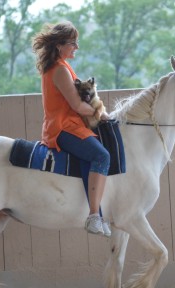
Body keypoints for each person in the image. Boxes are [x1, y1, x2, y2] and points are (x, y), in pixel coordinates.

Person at [32, 21, 111, 237]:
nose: (76, 47)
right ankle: (94, 216)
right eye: (73, 43)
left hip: (71, 125)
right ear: (59, 45)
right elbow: (77, 106)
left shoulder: (63, 67)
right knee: (102, 156)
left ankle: (99, 213)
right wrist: (100, 113)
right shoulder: (59, 70)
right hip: (63, 128)